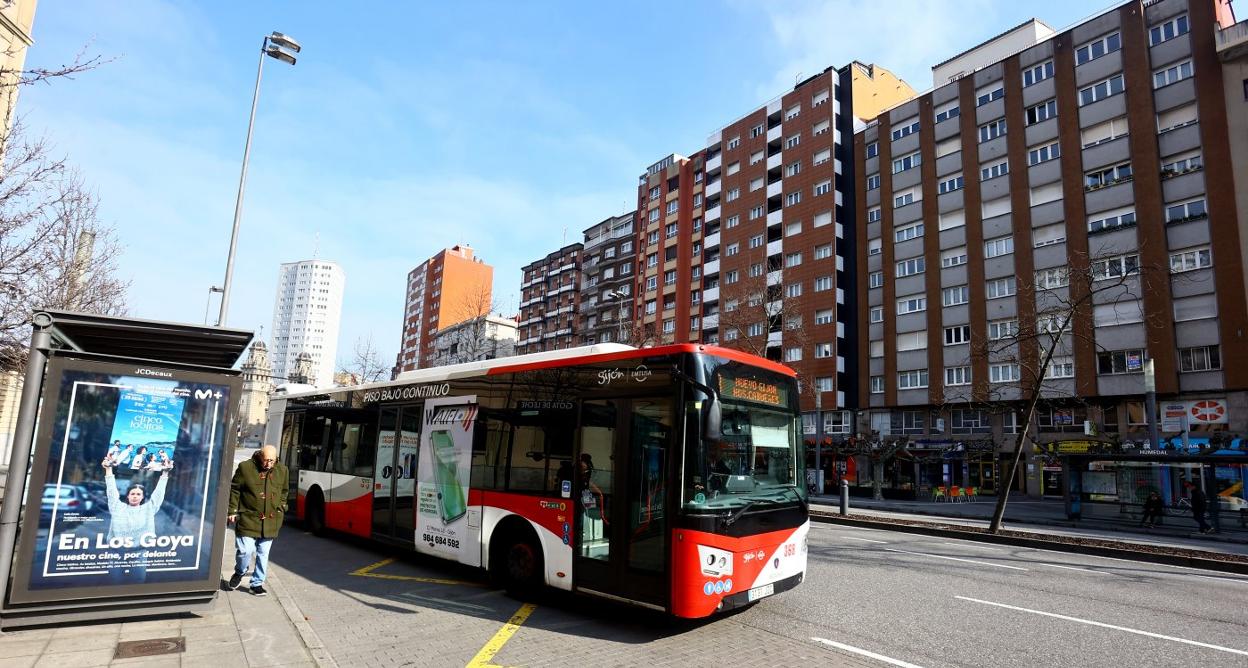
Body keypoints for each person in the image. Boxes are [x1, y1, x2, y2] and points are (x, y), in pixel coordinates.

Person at [227, 445, 288, 596]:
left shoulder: (283, 470)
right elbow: (235, 489)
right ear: (260, 456)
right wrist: (232, 510)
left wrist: (282, 506)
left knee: (263, 553)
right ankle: (240, 571)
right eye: (266, 460)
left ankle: (257, 583)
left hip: (271, 521)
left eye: (272, 461)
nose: (268, 464)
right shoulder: (245, 467)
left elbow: (285, 491)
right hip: (248, 517)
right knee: (245, 551)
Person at [101, 456, 171, 544]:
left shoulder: (148, 509)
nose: (135, 496)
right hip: (117, 555)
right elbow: (111, 492)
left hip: (139, 555)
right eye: (132, 494)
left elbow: (158, 495)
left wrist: (165, 473)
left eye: (138, 494)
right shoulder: (117, 507)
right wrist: (108, 469)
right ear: (128, 496)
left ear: (142, 497)